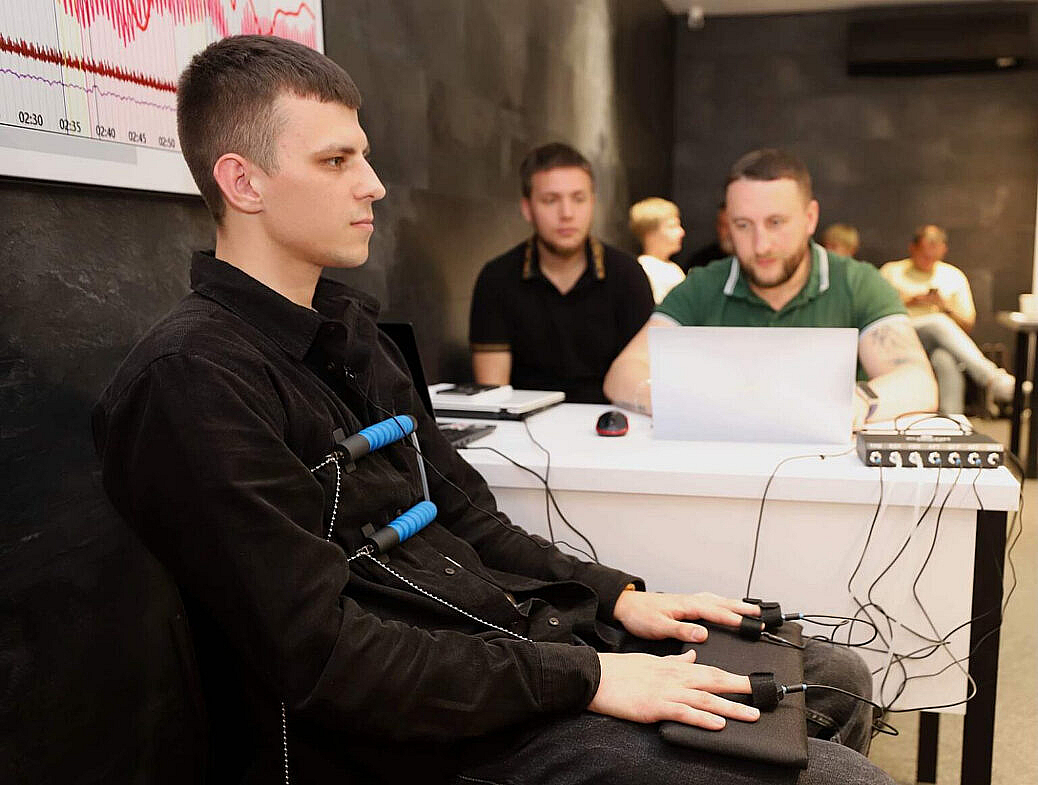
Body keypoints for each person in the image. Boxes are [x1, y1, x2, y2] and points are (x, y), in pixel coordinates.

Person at [93, 38, 893, 785]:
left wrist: (616, 598)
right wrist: (591, 676)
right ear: (243, 182)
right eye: (336, 160)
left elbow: (469, 515)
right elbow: (329, 659)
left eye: (362, 154)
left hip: (494, 642)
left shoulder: (355, 335)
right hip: (410, 729)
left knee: (837, 680)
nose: (373, 184)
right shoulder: (192, 382)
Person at [604, 148, 937, 427]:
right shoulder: (704, 285)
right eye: (743, 225)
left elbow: (918, 381)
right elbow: (623, 373)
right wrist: (680, 401)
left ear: (810, 218)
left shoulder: (858, 283)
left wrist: (857, 402)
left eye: (776, 223)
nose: (761, 245)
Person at [469, 143, 654, 403]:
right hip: (525, 423)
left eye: (578, 199)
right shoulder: (497, 279)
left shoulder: (627, 276)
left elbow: (646, 378)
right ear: (527, 208)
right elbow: (493, 394)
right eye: (550, 200)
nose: (566, 214)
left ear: (593, 203)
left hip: (610, 422)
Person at [880, 225, 1014, 415]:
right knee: (937, 321)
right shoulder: (891, 272)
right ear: (913, 248)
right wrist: (910, 301)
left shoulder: (953, 276)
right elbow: (874, 314)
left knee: (945, 358)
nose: (928, 261)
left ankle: (952, 420)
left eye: (933, 257)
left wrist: (945, 306)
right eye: (924, 256)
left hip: (938, 343)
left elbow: (967, 325)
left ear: (944, 250)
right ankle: (993, 379)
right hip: (899, 337)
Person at [629, 197, 687, 303]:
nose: (681, 232)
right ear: (650, 233)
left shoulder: (672, 268)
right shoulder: (646, 269)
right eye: (672, 226)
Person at [679, 201, 735, 271]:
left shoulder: (747, 261)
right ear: (717, 227)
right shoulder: (702, 261)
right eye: (724, 226)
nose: (729, 232)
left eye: (736, 226)